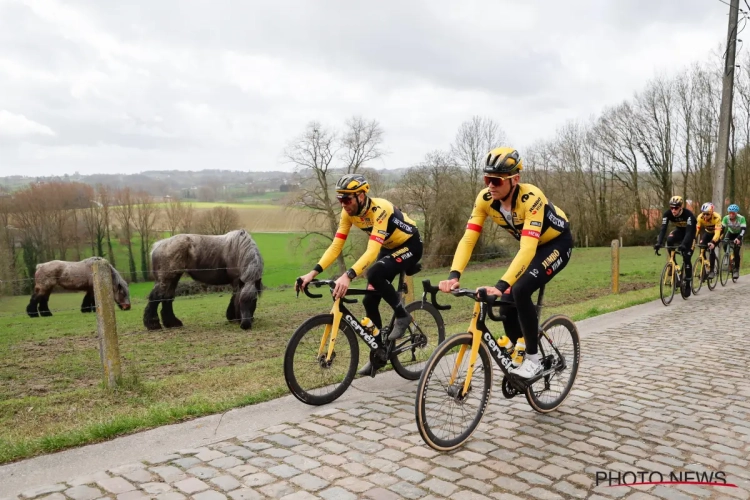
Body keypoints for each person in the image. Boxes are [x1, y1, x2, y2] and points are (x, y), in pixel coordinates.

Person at [438, 147, 574, 379]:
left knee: (519, 289)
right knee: (506, 303)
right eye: (487, 179)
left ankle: (533, 360)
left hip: (556, 244)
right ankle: (518, 345)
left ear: (515, 179)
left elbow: (528, 249)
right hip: (530, 247)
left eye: (496, 180)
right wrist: (454, 274)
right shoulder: (485, 199)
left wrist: (500, 285)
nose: (490, 185)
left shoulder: (531, 198)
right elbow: (469, 238)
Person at [295, 173, 423, 375]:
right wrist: (312, 273)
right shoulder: (348, 214)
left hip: (410, 245)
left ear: (361, 196)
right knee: (369, 301)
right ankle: (379, 352)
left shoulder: (379, 209)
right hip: (389, 247)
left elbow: (371, 252)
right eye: (340, 199)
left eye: (346, 199)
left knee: (374, 273)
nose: (343, 204)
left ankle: (402, 315)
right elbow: (336, 246)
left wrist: (348, 275)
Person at [653, 195, 697, 294]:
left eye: (676, 208)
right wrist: (659, 243)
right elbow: (663, 229)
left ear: (681, 207)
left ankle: (688, 283)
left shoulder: (688, 215)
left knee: (686, 257)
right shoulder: (667, 214)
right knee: (669, 239)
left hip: (690, 234)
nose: (673, 210)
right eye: (671, 208)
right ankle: (674, 265)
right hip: (679, 231)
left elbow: (690, 233)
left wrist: (684, 244)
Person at [695, 202, 723, 280]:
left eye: (707, 214)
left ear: (711, 213)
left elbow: (717, 233)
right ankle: (705, 268)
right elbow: (697, 230)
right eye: (704, 214)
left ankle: (711, 271)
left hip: (717, 233)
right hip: (708, 232)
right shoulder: (700, 217)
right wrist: (693, 239)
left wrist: (713, 242)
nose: (705, 216)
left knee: (711, 248)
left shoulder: (717, 217)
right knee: (702, 250)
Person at [720, 204, 746, 280]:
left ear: (736, 213)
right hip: (730, 233)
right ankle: (727, 255)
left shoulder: (741, 218)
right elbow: (722, 230)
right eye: (730, 213)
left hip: (739, 234)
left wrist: (738, 238)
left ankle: (736, 270)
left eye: (733, 213)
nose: (731, 214)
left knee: (736, 251)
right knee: (725, 243)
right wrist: (718, 238)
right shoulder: (725, 218)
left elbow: (743, 230)